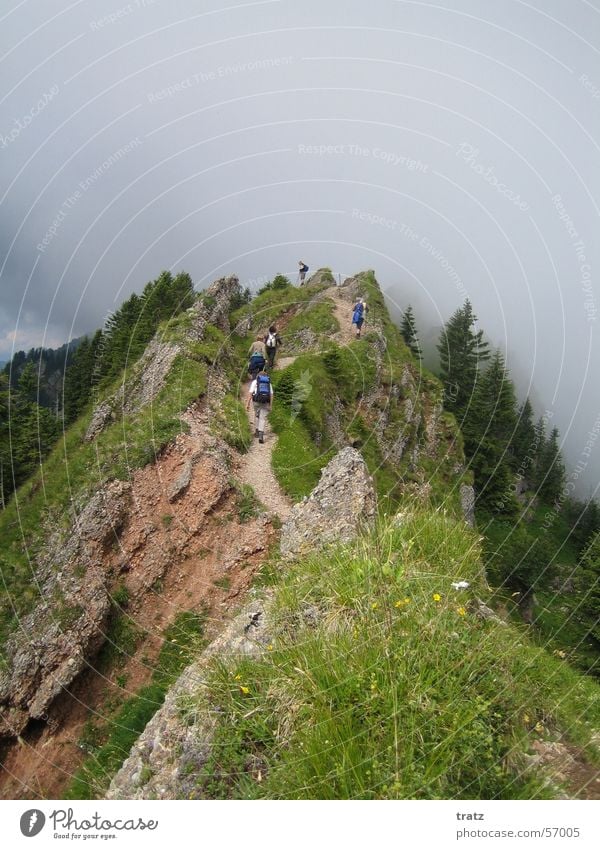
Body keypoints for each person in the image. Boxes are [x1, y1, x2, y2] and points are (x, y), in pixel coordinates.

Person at [246, 369, 273, 444]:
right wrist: (270, 405)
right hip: (265, 401)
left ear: (258, 376)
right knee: (263, 418)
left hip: (256, 401)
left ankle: (257, 431)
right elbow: (271, 395)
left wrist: (247, 404)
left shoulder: (255, 381)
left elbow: (250, 393)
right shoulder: (268, 382)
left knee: (257, 415)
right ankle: (261, 434)